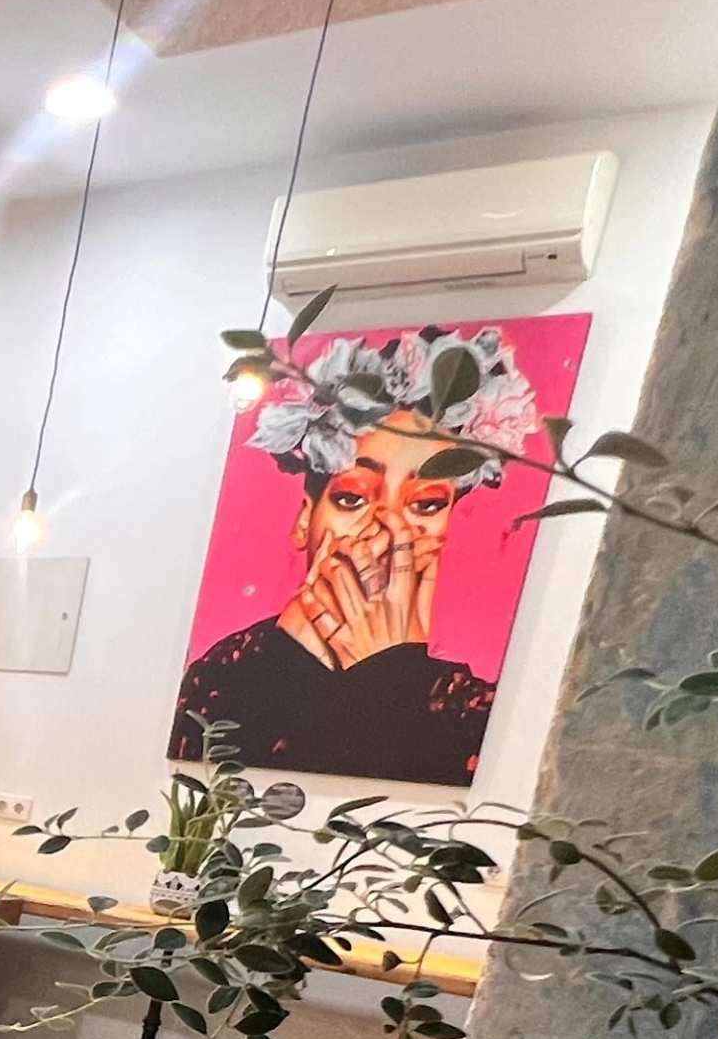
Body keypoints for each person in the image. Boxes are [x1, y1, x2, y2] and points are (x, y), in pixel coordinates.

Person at [168, 325, 543, 788]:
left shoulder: (469, 715)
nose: (387, 531)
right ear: (307, 518)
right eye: (352, 498)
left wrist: (395, 672)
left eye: (425, 504)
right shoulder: (219, 681)